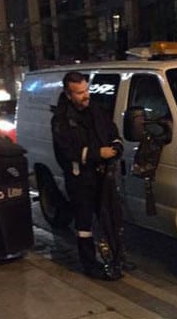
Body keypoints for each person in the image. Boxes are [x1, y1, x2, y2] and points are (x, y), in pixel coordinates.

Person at [51, 70, 134, 280]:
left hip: (103, 175)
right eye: (79, 92)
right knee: (84, 224)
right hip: (80, 179)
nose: (85, 95)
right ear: (69, 94)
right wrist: (98, 154)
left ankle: (116, 258)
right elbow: (65, 152)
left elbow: (112, 131)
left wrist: (116, 146)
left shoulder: (95, 110)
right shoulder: (61, 120)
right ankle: (90, 265)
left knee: (110, 218)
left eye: (86, 89)